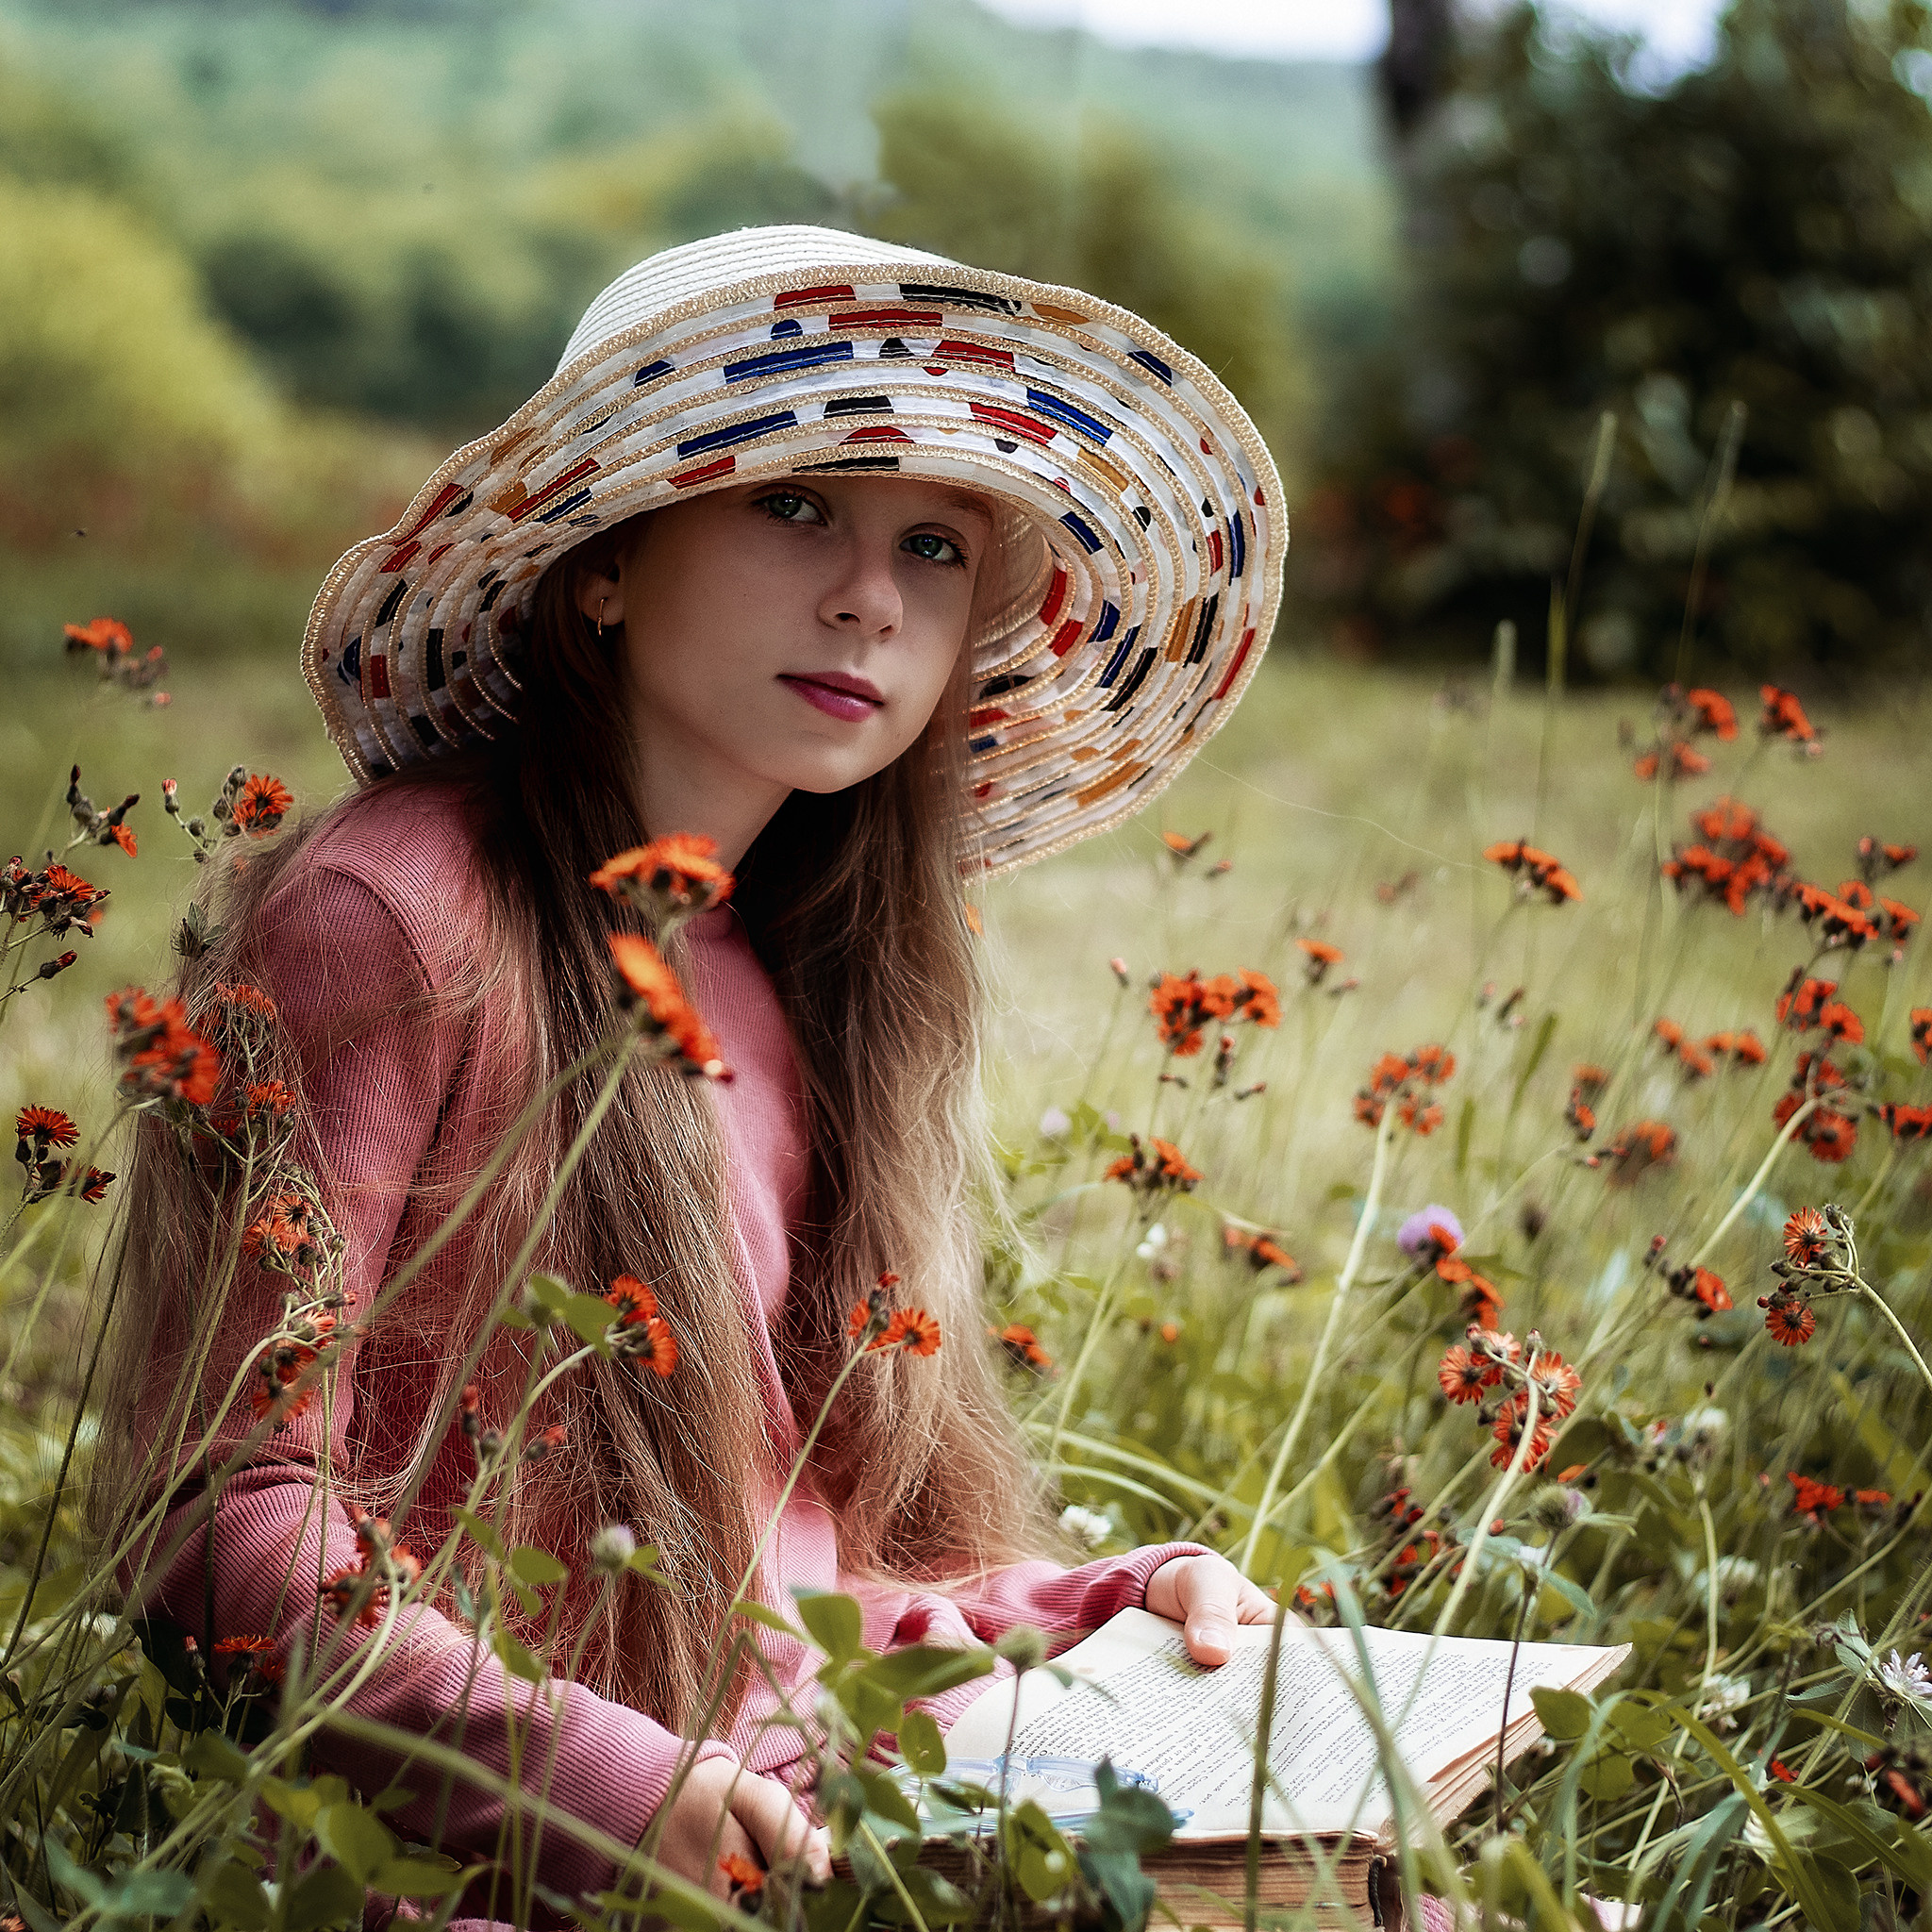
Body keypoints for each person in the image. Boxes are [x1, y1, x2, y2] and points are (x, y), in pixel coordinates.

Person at [89, 225, 1286, 1926]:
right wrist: (605, 1784)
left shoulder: (803, 970)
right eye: (793, 504)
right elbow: (230, 1514)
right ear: (602, 564)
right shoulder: (396, 922)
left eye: (935, 545)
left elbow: (783, 1598)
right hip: (487, 1853)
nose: (872, 596)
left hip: (819, 1806)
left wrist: (1105, 1606)